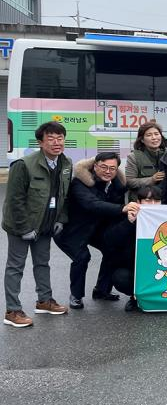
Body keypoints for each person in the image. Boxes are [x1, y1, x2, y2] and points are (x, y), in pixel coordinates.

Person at [3, 122, 72, 327]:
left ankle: (44, 301)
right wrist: (24, 228)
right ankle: (12, 311)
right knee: (15, 267)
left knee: (42, 263)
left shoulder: (66, 163)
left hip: (46, 224)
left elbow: (65, 195)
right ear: (40, 142)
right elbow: (14, 200)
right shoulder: (24, 165)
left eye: (60, 138)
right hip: (20, 225)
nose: (56, 142)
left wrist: (61, 219)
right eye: (50, 138)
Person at [55, 152, 134, 309]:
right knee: (82, 257)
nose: (107, 171)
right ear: (95, 166)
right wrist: (122, 208)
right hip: (72, 230)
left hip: (95, 229)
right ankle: (76, 296)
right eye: (103, 167)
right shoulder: (80, 182)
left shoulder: (117, 185)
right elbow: (92, 204)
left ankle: (101, 290)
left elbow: (114, 215)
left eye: (112, 168)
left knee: (113, 249)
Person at [100, 185, 162, 312]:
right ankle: (135, 298)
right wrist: (129, 222)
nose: (153, 204)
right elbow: (109, 240)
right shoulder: (128, 216)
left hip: (162, 266)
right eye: (148, 200)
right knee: (120, 277)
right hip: (136, 267)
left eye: (156, 201)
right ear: (139, 202)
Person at [125, 122, 167, 202]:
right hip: (141, 202)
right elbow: (130, 182)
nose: (154, 137)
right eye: (149, 135)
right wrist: (151, 179)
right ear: (142, 140)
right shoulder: (134, 156)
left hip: (164, 201)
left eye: (156, 134)